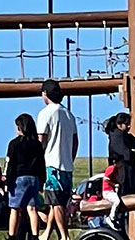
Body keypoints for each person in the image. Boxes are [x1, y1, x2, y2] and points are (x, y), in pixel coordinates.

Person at [35, 81, 78, 240]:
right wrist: (70, 158)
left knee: (56, 202)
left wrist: (37, 161)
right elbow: (75, 141)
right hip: (67, 165)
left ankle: (64, 236)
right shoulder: (69, 114)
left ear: (45, 94)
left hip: (51, 164)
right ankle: (46, 233)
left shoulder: (45, 113)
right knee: (56, 202)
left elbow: (41, 140)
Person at [6, 113, 46, 240]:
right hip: (34, 178)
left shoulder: (14, 144)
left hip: (19, 178)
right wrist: (42, 180)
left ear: (20, 128)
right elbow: (41, 163)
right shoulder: (37, 144)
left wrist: (8, 181)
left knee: (15, 209)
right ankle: (35, 236)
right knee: (32, 208)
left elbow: (10, 164)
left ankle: (12, 236)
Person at [104, 113, 135, 199]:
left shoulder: (124, 136)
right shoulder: (118, 136)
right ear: (119, 124)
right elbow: (126, 154)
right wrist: (134, 151)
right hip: (125, 173)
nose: (129, 126)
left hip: (125, 172)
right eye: (126, 124)